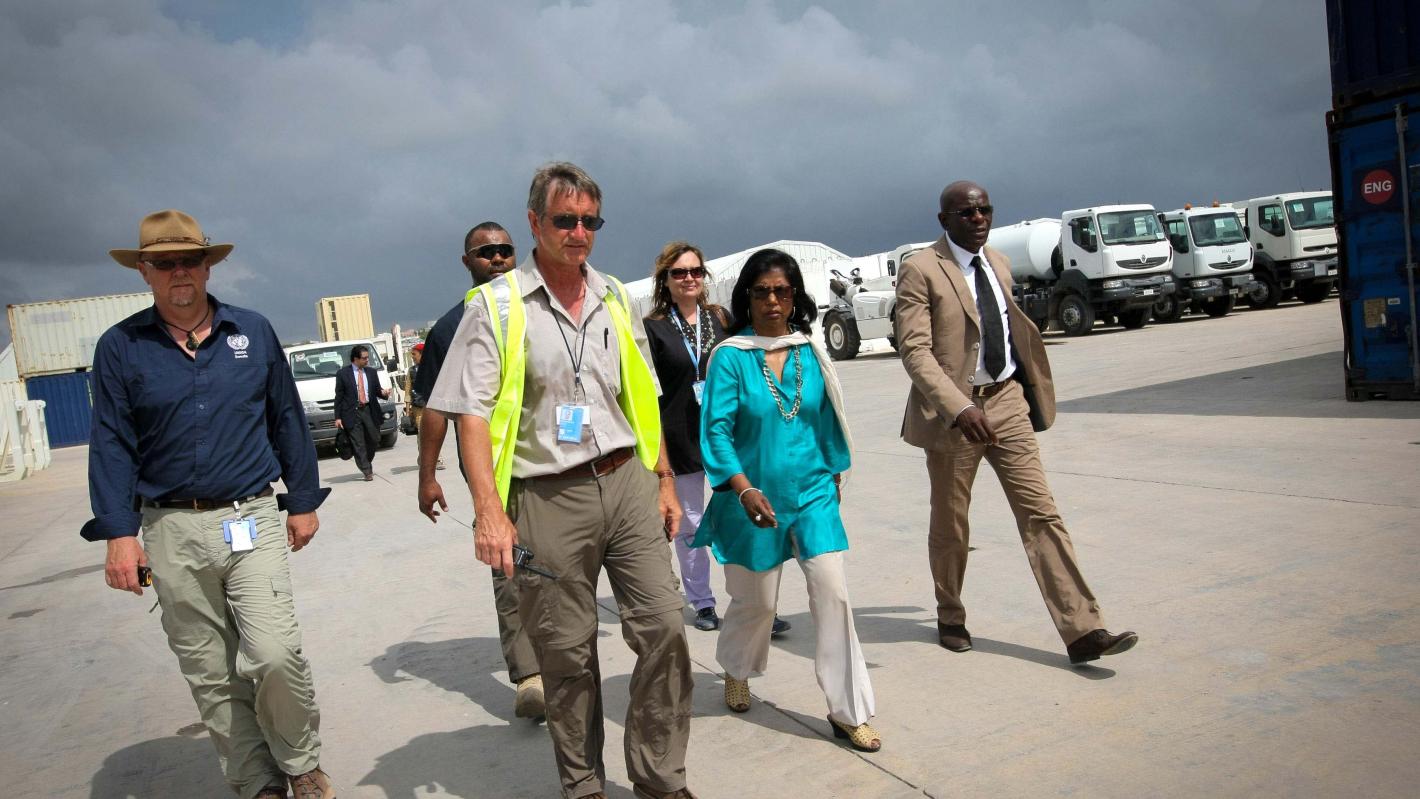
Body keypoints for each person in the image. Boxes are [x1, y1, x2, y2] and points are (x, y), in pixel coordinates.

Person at [427, 162, 696, 799]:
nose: (579, 232)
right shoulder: (494, 306)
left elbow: (642, 396)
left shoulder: (614, 295)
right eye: (564, 219)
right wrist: (489, 512)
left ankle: (660, 777)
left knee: (665, 628)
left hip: (626, 480)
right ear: (534, 222)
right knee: (567, 654)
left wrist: (662, 477)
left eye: (589, 221)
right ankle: (583, 784)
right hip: (546, 496)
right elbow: (471, 414)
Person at [85, 209, 337, 799]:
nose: (179, 272)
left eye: (190, 260)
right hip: (169, 527)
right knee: (210, 669)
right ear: (144, 272)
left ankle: (300, 761)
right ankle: (256, 781)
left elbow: (286, 418)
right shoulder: (120, 347)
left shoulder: (253, 331)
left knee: (274, 652)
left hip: (251, 516)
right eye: (164, 263)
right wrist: (120, 535)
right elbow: (112, 444)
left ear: (207, 266)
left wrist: (302, 499)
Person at [894, 180, 1139, 665]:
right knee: (951, 523)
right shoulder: (920, 269)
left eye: (985, 210)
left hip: (1007, 402)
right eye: (967, 213)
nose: (979, 219)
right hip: (955, 415)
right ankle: (950, 613)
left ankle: (1083, 630)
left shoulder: (998, 263)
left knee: (1041, 513)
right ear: (944, 220)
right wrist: (959, 408)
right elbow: (915, 351)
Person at [698, 248, 880, 753]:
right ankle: (737, 669)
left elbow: (827, 419)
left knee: (833, 594)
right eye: (762, 292)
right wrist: (743, 487)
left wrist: (834, 471)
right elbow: (716, 431)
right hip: (752, 500)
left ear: (795, 295)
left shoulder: (809, 351)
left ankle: (849, 711)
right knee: (757, 602)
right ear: (747, 298)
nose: (773, 301)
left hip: (814, 492)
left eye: (782, 291)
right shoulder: (731, 356)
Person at [414, 221, 543, 719]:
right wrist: (428, 474)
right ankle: (529, 676)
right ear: (466, 261)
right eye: (485, 252)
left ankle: (564, 664)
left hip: (558, 465)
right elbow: (434, 410)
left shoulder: (542, 306)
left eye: (505, 249)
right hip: (496, 476)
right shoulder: (453, 327)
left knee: (559, 572)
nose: (497, 258)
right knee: (510, 567)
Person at [642, 241, 728, 632]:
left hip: (724, 432)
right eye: (679, 272)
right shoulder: (654, 328)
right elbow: (649, 392)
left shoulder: (720, 318)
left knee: (738, 515)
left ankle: (754, 601)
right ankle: (703, 602)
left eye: (695, 271)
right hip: (680, 437)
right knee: (691, 523)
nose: (689, 278)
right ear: (666, 279)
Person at [333, 343, 389, 481]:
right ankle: (366, 470)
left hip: (369, 410)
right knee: (358, 443)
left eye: (367, 358)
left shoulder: (371, 372)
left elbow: (377, 390)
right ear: (355, 359)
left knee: (374, 439)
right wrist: (338, 417)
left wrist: (384, 393)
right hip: (352, 412)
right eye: (364, 358)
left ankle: (366, 461)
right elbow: (339, 396)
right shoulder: (343, 374)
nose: (367, 360)